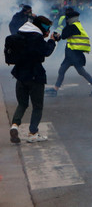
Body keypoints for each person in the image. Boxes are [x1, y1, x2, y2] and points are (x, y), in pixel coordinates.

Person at [10, 15, 58, 143]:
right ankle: (32, 133)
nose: (48, 31)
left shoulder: (21, 33)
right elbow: (46, 51)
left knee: (22, 104)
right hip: (35, 75)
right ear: (42, 27)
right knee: (37, 106)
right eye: (47, 28)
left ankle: (14, 125)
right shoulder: (36, 37)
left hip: (20, 75)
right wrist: (53, 40)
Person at [45, 7, 92, 97]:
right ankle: (55, 90)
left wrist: (58, 36)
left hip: (74, 54)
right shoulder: (77, 25)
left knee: (78, 71)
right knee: (64, 70)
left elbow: (63, 36)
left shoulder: (73, 26)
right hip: (72, 54)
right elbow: (66, 36)